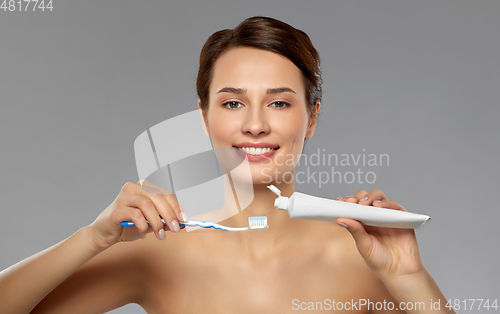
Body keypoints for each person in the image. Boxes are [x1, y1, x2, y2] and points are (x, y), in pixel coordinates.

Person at [0, 16, 455, 314]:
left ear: (311, 118)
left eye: (278, 103)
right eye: (233, 102)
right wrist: (90, 238)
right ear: (203, 117)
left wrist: (407, 277)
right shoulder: (158, 248)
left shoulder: (361, 254)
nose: (255, 125)